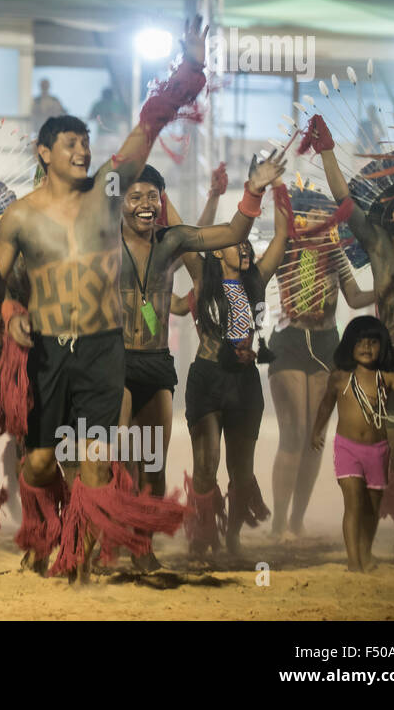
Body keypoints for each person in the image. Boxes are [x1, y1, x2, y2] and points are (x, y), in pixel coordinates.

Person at [0, 17, 206, 581]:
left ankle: (81, 559)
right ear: (44, 153)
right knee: (38, 462)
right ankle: (47, 524)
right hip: (46, 353)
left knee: (95, 459)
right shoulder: (18, 217)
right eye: (71, 144)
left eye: (86, 142)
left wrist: (189, 71)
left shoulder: (107, 194)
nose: (84, 151)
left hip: (102, 347)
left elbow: (146, 129)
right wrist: (11, 315)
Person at [118, 154, 284, 568]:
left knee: (166, 468)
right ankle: (120, 537)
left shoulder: (246, 276)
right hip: (141, 368)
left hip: (187, 371)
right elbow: (195, 234)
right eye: (135, 194)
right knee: (126, 458)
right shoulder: (109, 244)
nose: (145, 203)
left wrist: (259, 190)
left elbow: (233, 233)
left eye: (152, 196)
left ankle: (170, 543)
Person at [309, 112, 394, 548]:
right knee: (392, 457)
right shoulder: (380, 249)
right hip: (386, 367)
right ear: (393, 214)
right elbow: (345, 202)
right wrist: (328, 150)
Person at [266, 186, 375, 539]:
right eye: (313, 214)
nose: (320, 221)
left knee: (315, 436)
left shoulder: (336, 253)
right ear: (298, 217)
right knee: (294, 433)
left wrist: (387, 287)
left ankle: (296, 520)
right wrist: (277, 192)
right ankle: (279, 523)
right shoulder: (283, 248)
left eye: (324, 215)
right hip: (290, 341)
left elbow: (355, 297)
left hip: (327, 344)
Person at [183, 190, 287, 558]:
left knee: (241, 473)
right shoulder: (202, 276)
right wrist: (198, 195)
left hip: (244, 385)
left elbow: (280, 239)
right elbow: (185, 236)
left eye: (246, 245)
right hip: (207, 380)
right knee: (206, 467)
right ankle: (202, 533)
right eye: (236, 243)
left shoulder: (255, 279)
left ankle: (234, 536)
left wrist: (280, 190)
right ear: (217, 248)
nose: (244, 249)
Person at [310, 317, 394, 572]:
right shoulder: (339, 377)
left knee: (372, 507)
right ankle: (353, 562)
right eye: (360, 342)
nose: (366, 347)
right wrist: (316, 431)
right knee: (353, 503)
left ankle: (365, 553)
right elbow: (326, 406)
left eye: (372, 342)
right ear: (349, 345)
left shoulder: (388, 377)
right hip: (347, 449)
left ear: (382, 346)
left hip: (378, 451)